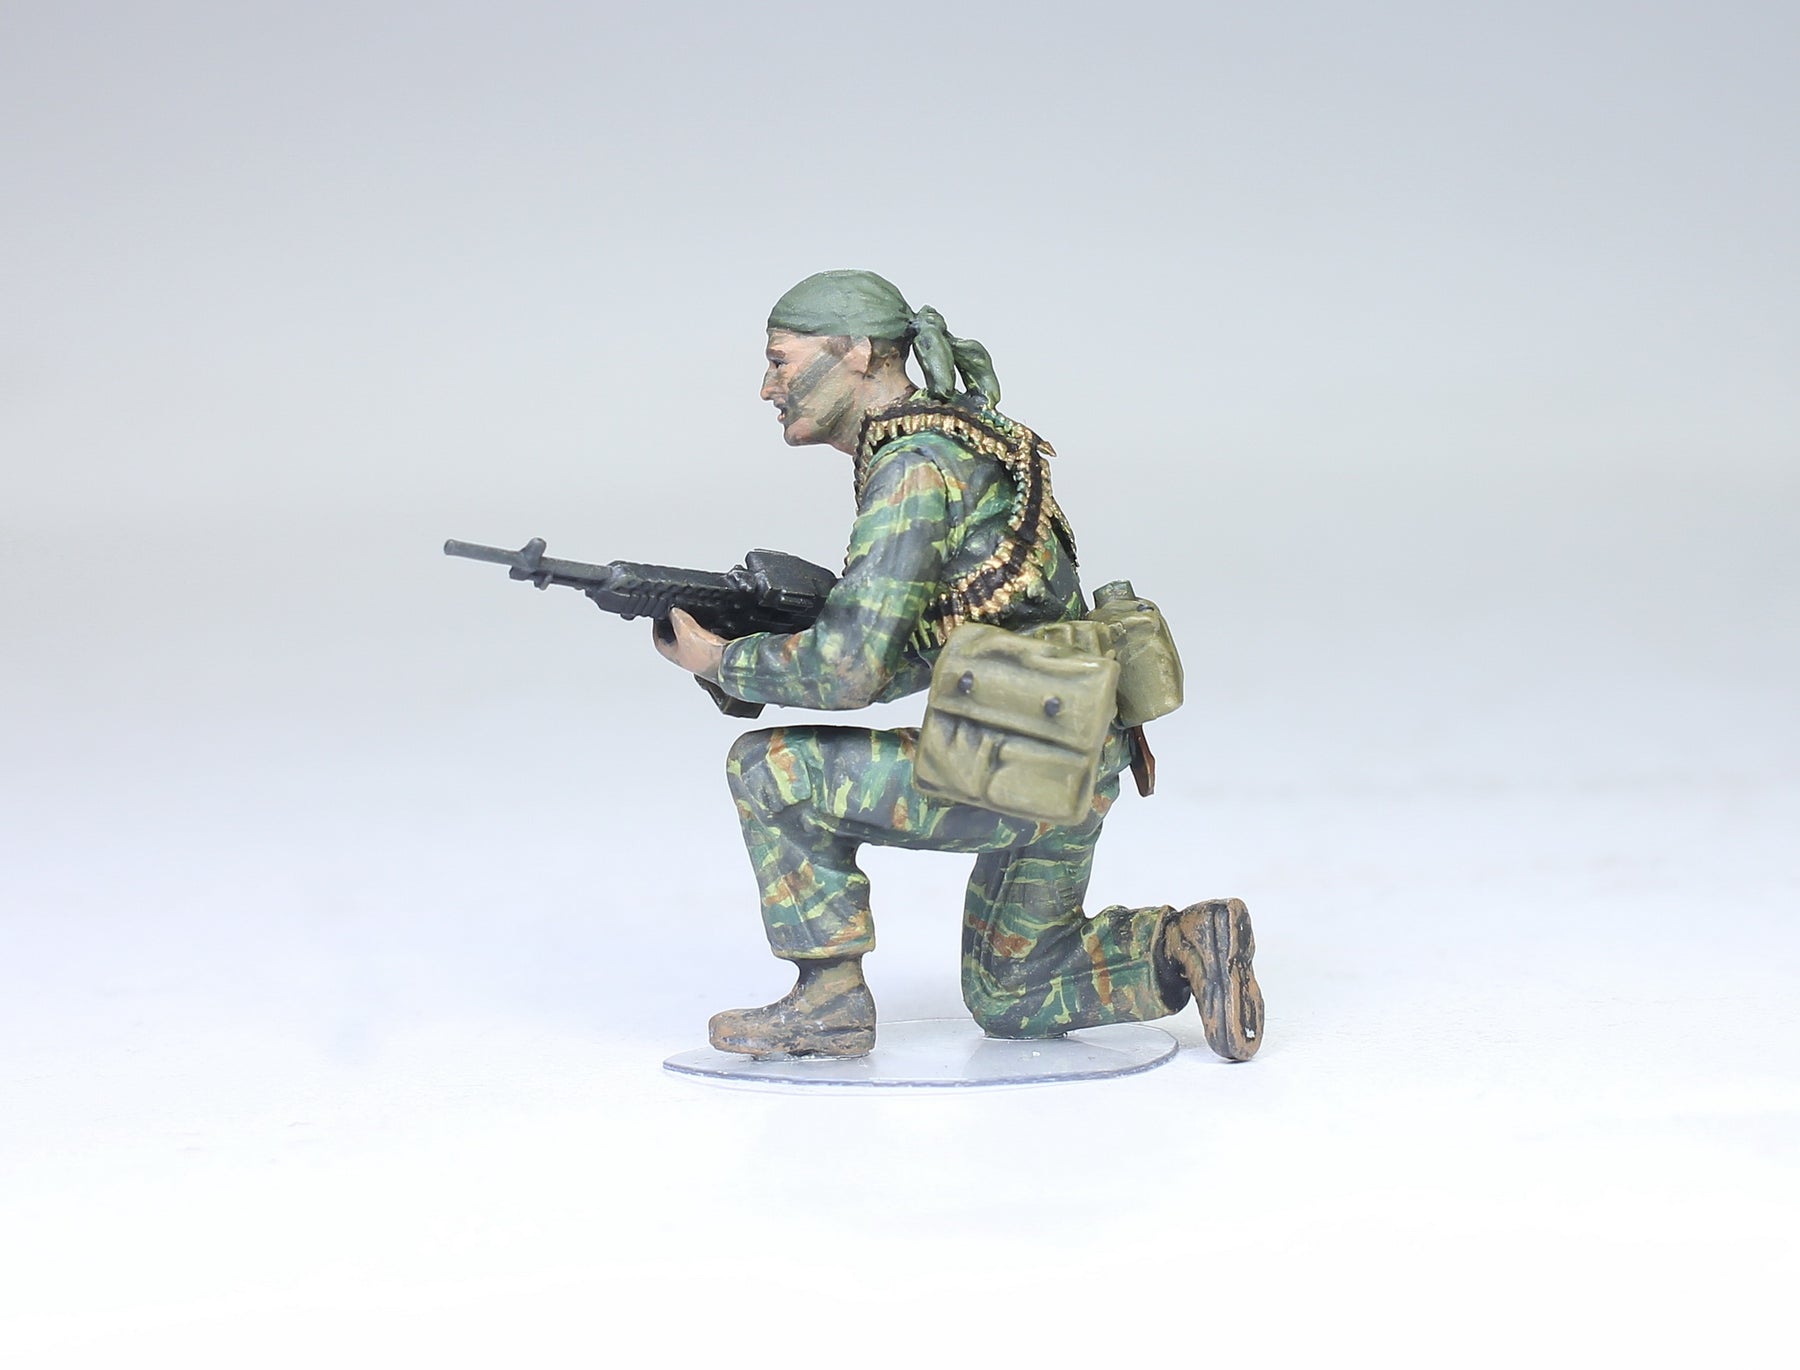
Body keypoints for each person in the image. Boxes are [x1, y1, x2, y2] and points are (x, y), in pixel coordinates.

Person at [654, 270, 1263, 1062]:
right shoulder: (964, 440)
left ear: (857, 352)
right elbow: (942, 642)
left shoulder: (912, 469)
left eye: (781, 361)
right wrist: (760, 648)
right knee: (1013, 990)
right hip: (1069, 750)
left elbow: (850, 671)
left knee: (771, 771)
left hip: (1022, 761)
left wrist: (723, 660)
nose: (769, 388)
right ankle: (1184, 942)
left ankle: (828, 1004)